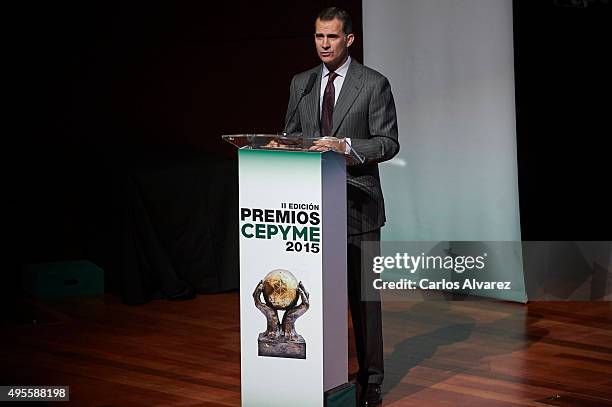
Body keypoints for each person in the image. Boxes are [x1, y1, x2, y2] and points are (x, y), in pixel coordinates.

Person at [284, 7, 399, 407]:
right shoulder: (301, 83)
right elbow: (291, 138)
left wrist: (347, 148)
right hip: (312, 210)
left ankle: (371, 380)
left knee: (364, 301)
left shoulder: (373, 84)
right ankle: (321, 374)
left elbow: (388, 143)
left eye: (332, 37)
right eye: (319, 37)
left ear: (349, 39)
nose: (324, 44)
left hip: (358, 208)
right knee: (315, 297)